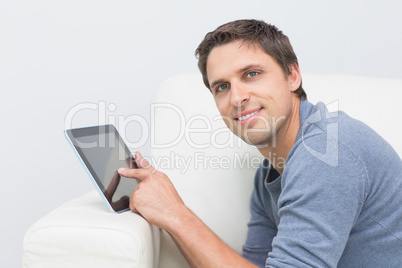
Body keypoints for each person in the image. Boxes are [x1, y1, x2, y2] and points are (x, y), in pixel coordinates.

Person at [118, 19, 402, 267]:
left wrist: (175, 213)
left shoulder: (326, 152)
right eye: (222, 87)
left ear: (292, 76)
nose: (237, 97)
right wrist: (169, 213)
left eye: (251, 74)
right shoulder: (272, 172)